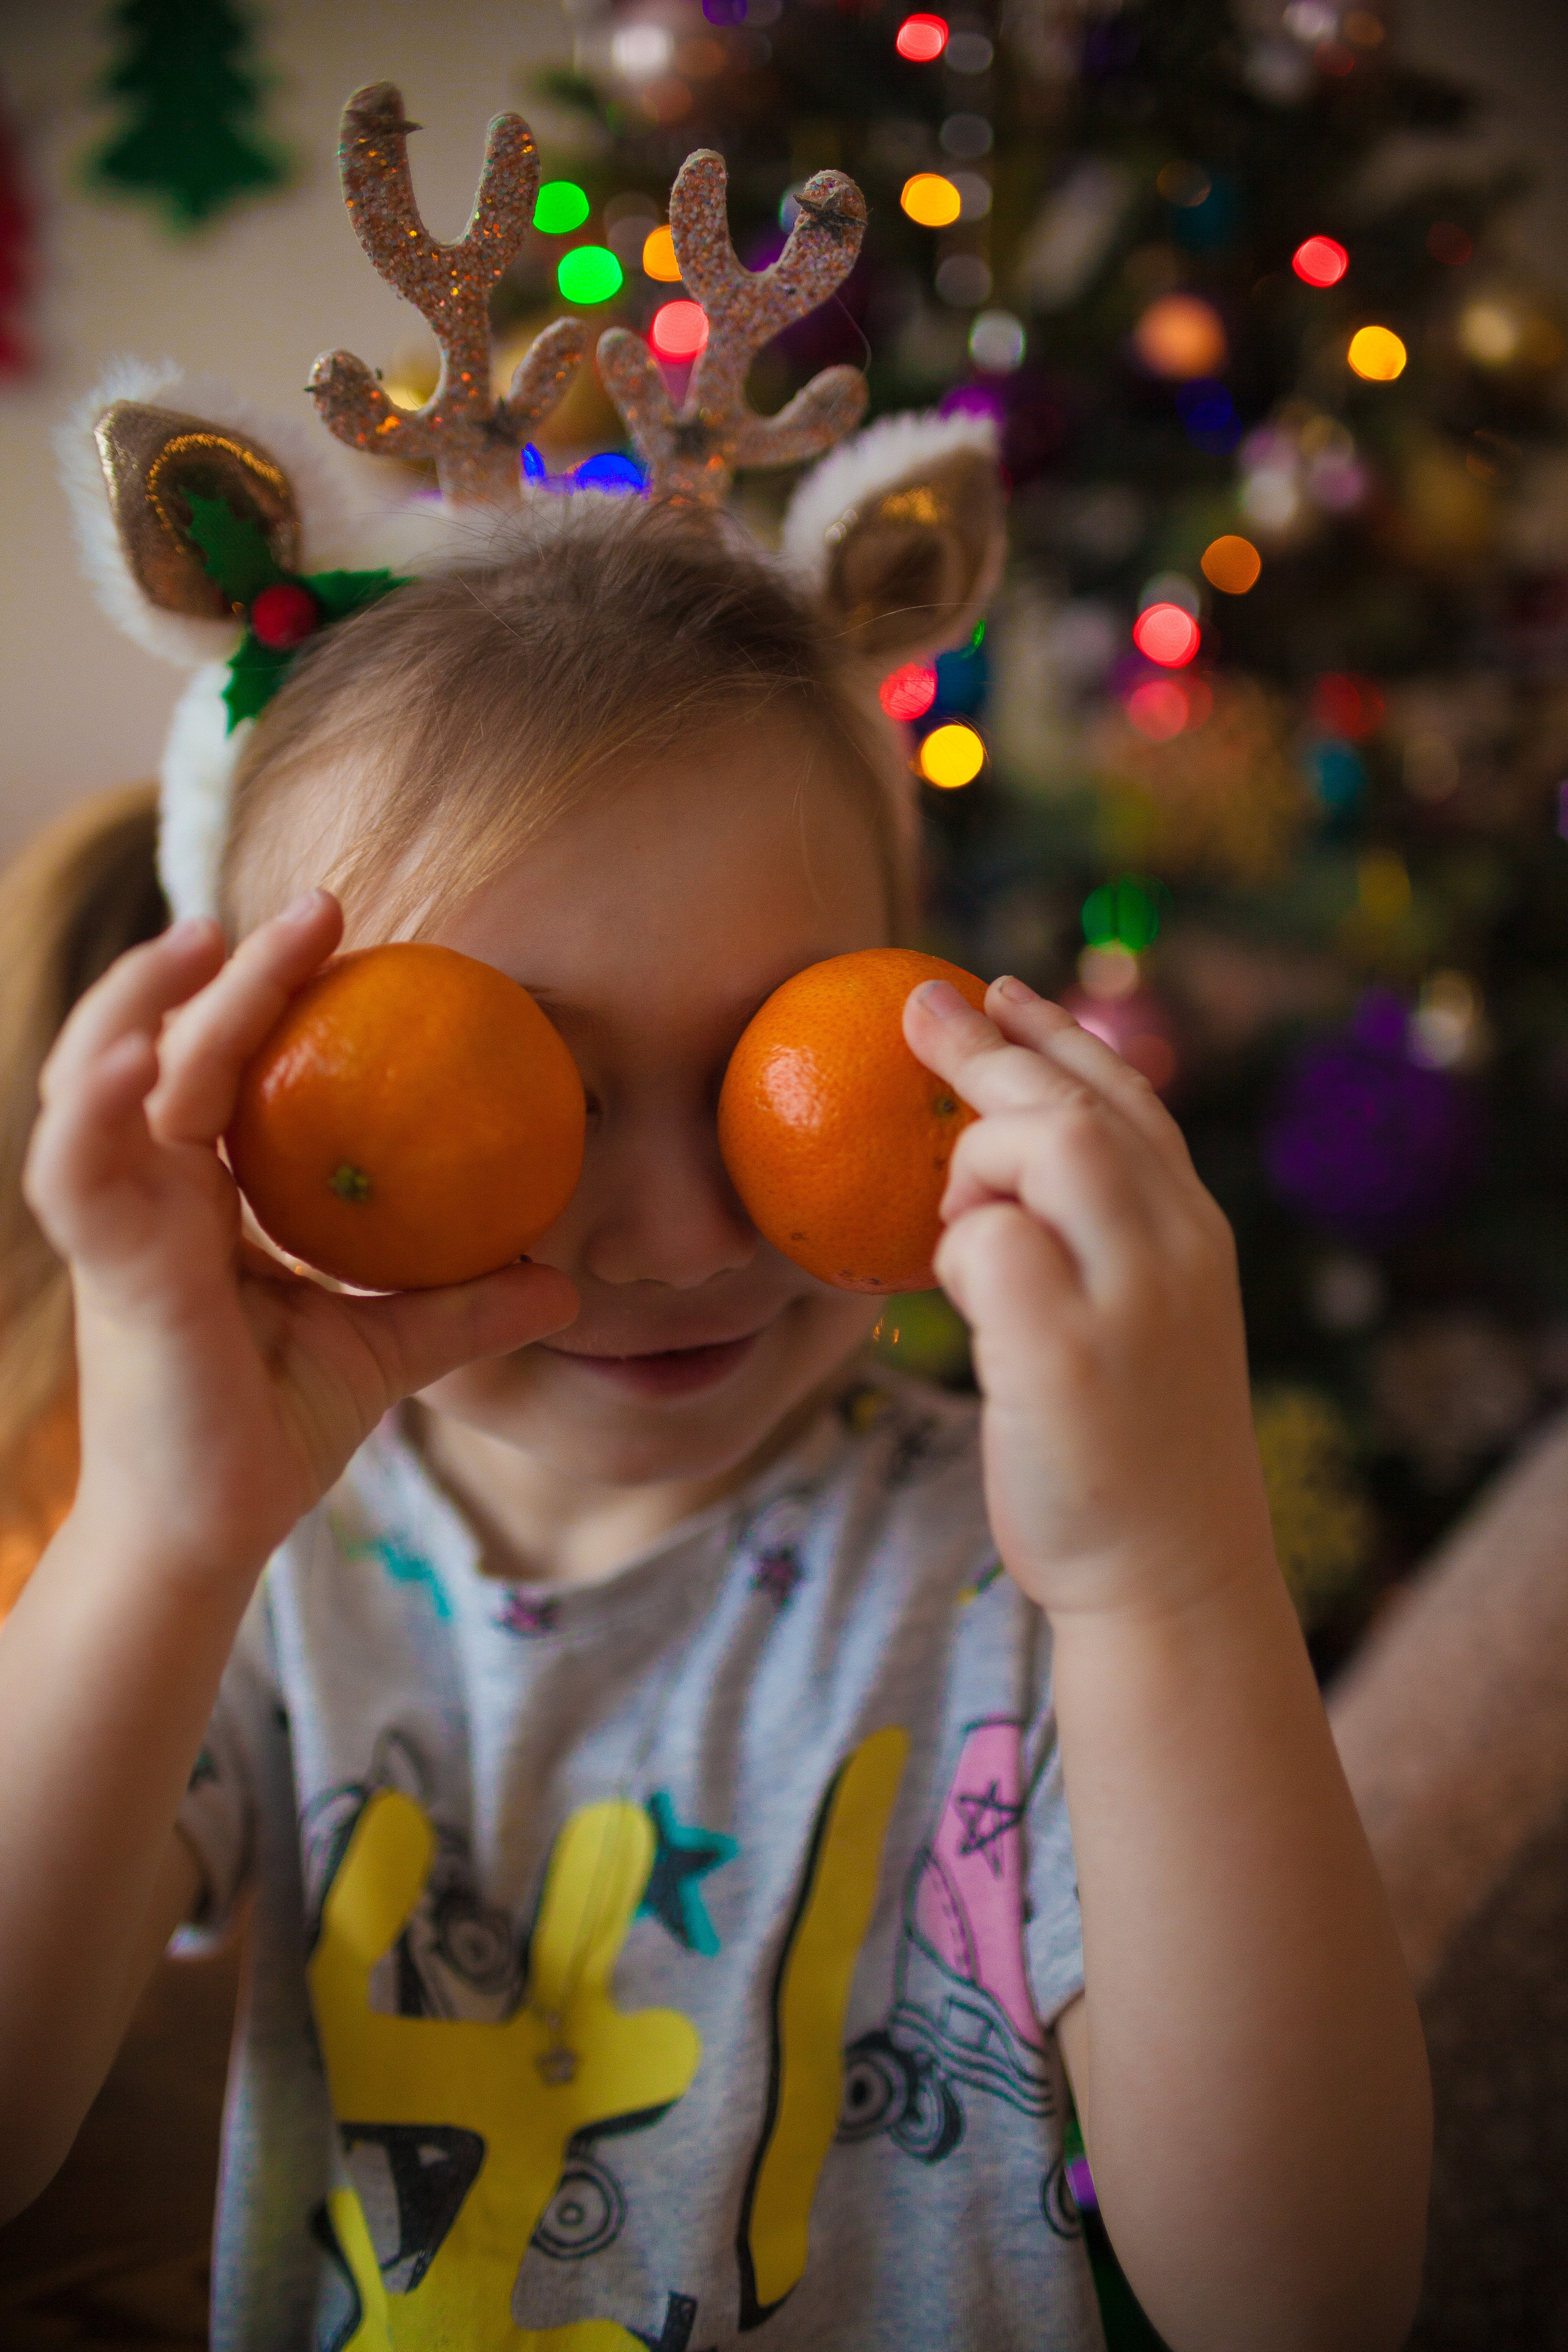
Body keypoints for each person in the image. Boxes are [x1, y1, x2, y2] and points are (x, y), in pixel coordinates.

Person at [0, 92, 1430, 2352]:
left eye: (782, 1069)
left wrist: (1172, 1570)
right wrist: (168, 1525)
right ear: (266, 1110)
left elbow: (1308, 2296)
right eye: (512, 1097)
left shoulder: (1034, 1574)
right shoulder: (252, 1579)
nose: (675, 1236)